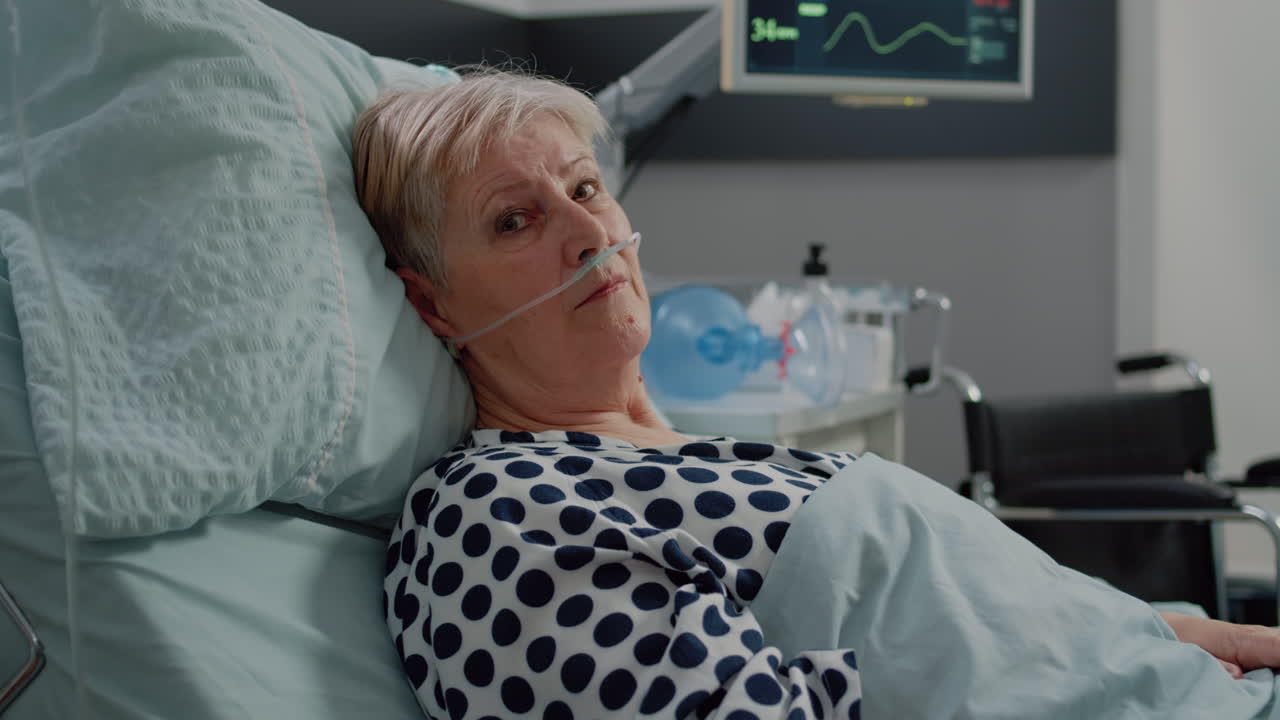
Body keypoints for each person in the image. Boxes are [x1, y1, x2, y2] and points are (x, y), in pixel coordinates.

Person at [354, 68, 1280, 719]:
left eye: (587, 186)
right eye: (515, 220)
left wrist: (1149, 630)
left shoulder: (676, 455)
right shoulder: (496, 514)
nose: (588, 232)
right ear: (432, 301)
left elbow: (942, 622)